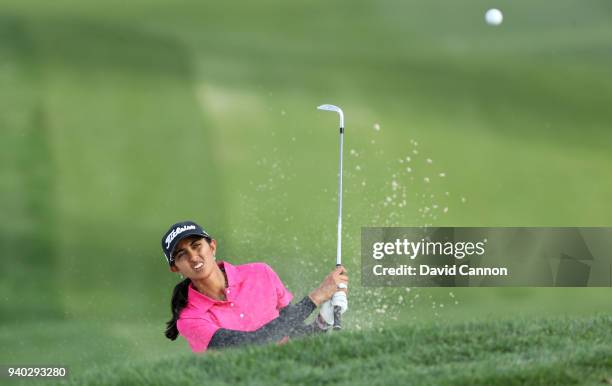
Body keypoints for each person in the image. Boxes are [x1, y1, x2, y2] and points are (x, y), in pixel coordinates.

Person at [161, 221, 349, 353]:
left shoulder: (260, 273)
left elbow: (296, 336)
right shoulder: (189, 318)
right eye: (182, 255)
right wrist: (317, 297)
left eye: (196, 246)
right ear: (175, 267)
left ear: (212, 247)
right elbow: (252, 344)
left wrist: (324, 321)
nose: (193, 257)